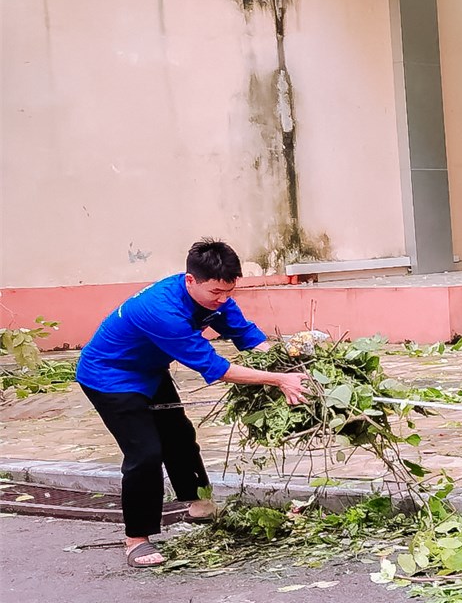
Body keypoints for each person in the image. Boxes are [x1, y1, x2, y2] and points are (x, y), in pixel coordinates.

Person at [76, 240, 307, 568]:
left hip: (150, 371)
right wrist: (277, 380)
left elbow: (248, 337)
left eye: (229, 291)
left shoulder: (217, 296)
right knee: (145, 453)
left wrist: (287, 366)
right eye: (216, 292)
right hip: (109, 376)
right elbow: (216, 368)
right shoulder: (162, 311)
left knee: (179, 436)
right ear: (190, 281)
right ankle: (136, 540)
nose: (223, 299)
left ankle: (198, 503)